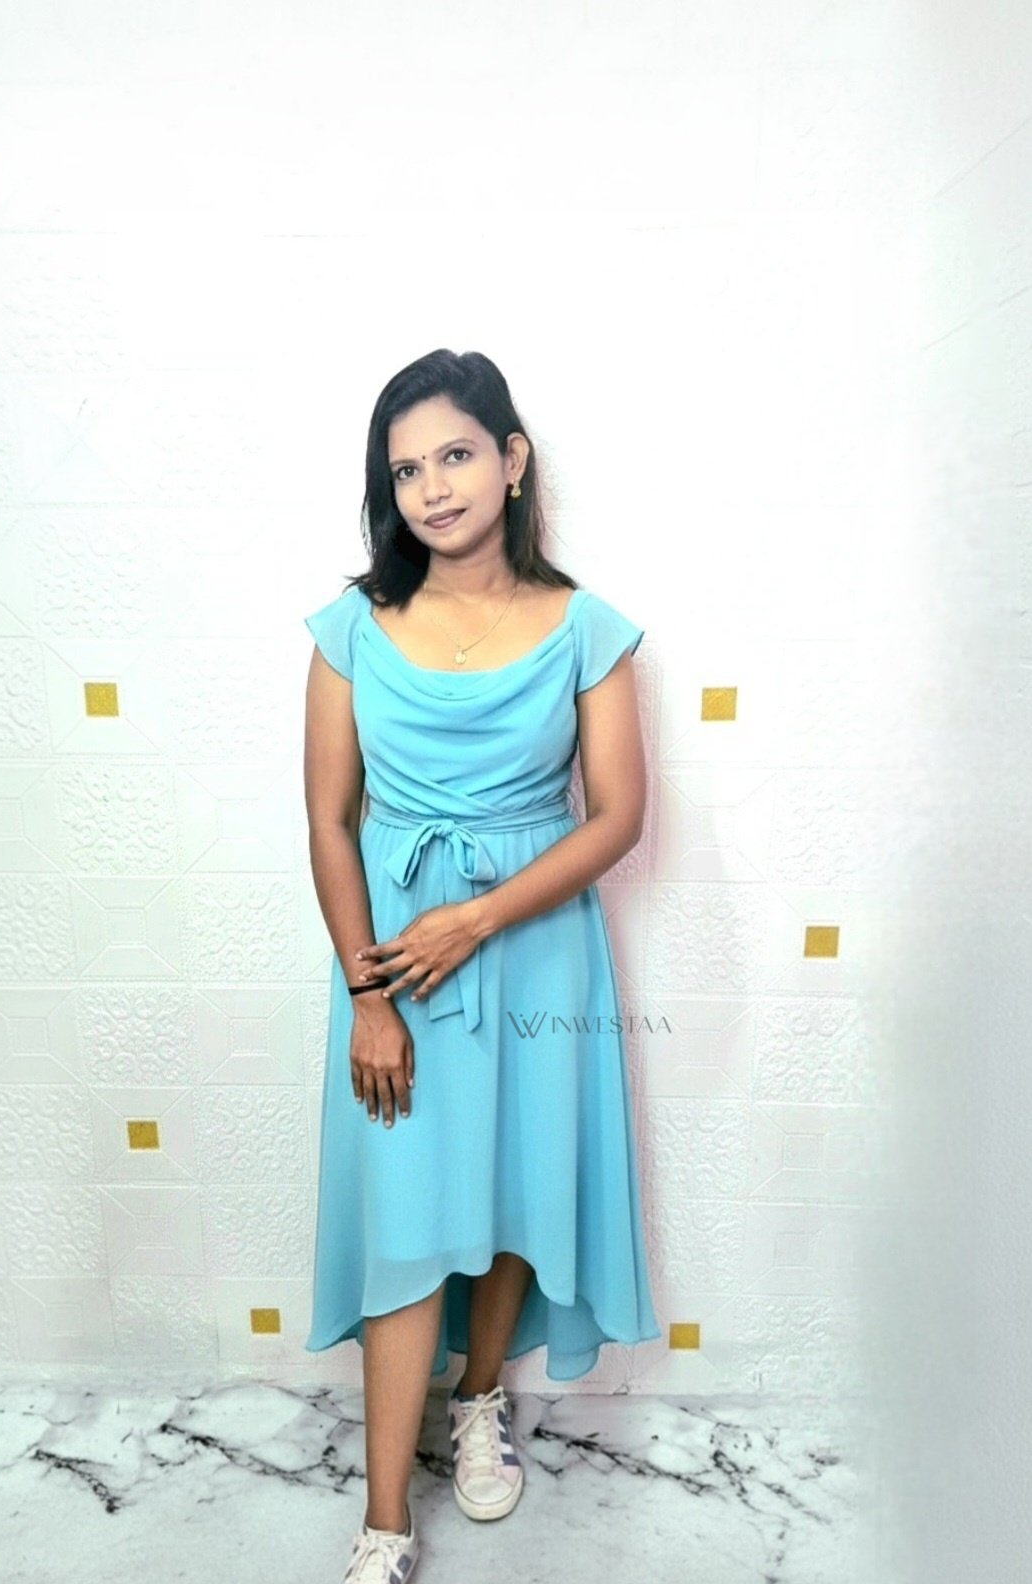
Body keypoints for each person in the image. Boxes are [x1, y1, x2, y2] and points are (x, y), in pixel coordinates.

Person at [302, 348, 661, 1583]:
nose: (432, 488)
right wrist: (369, 997)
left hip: (537, 946)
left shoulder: (588, 629)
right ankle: (384, 1521)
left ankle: (478, 1398)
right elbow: (329, 822)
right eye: (405, 470)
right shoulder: (353, 627)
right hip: (396, 958)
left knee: (514, 1186)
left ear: (512, 461)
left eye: (455, 455)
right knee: (405, 1216)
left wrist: (481, 919)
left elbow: (617, 816)